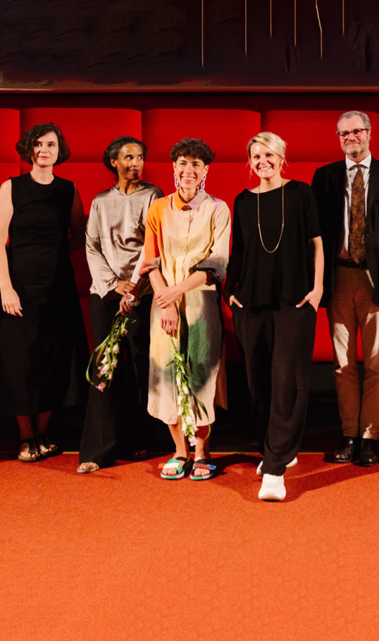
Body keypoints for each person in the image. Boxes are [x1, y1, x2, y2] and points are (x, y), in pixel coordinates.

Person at [0, 123, 88, 463]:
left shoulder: (68, 189)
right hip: (18, 288)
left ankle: (44, 433)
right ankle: (25, 437)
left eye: (50, 144)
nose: (44, 150)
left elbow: (79, 236)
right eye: (38, 144)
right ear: (29, 149)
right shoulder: (11, 187)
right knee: (18, 361)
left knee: (53, 360)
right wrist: (6, 288)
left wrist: (51, 256)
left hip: (58, 288)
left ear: (59, 150)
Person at [311, 110, 379, 467]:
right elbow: (315, 236)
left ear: (369, 134)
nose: (350, 138)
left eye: (356, 131)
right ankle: (348, 434)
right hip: (338, 279)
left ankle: (370, 437)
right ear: (338, 137)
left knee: (375, 365)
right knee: (342, 365)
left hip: (378, 280)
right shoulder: (323, 177)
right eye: (344, 134)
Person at [226, 132, 324, 501]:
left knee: (286, 379)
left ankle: (276, 466)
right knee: (257, 383)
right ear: (249, 162)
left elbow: (317, 243)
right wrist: (229, 292)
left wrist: (317, 291)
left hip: (294, 301)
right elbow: (240, 250)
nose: (262, 160)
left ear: (282, 157)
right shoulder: (242, 201)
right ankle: (274, 446)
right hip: (249, 302)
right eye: (255, 155)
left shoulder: (300, 194)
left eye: (269, 154)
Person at [140, 138, 230, 481]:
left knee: (201, 375)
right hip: (164, 303)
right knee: (166, 377)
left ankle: (202, 452)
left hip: (200, 302)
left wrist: (177, 293)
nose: (188, 170)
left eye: (195, 164)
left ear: (205, 171)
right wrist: (166, 301)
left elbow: (217, 262)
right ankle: (179, 451)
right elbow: (151, 261)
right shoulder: (158, 208)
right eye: (182, 163)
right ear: (173, 168)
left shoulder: (218, 209)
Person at [77, 137, 163, 474]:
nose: (136, 163)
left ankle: (142, 439)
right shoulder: (101, 201)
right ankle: (99, 450)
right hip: (106, 293)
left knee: (142, 366)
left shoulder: (153, 195)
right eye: (128, 157)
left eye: (140, 157)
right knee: (104, 369)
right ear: (113, 161)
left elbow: (152, 245)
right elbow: (92, 246)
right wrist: (115, 285)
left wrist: (135, 289)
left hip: (142, 292)